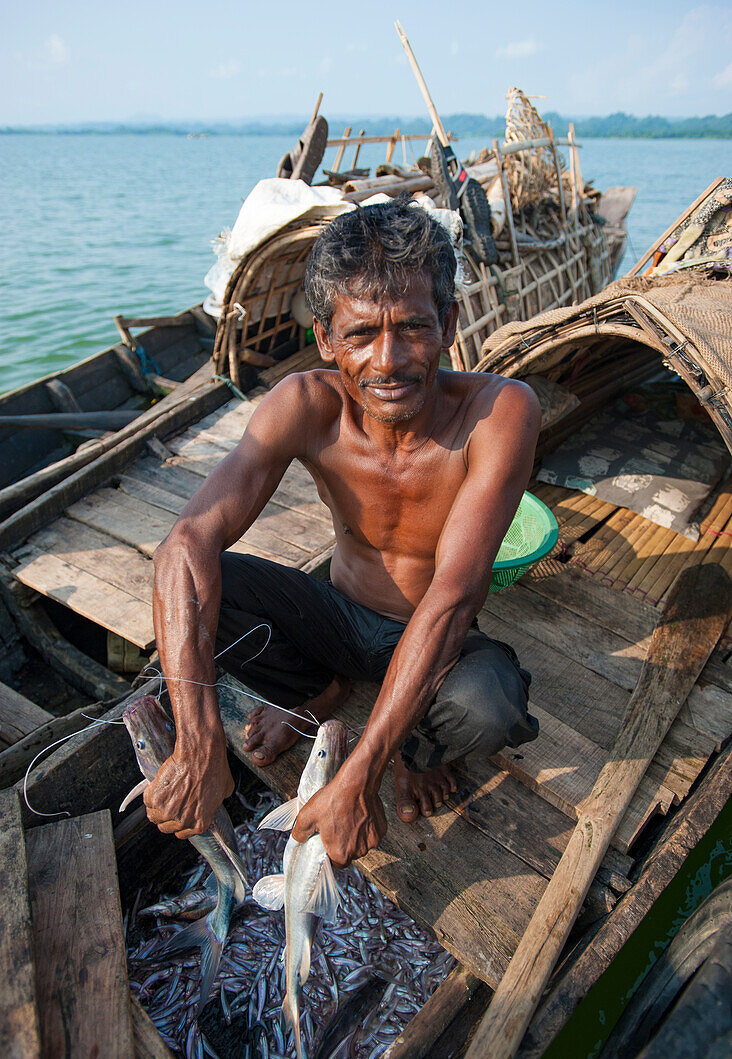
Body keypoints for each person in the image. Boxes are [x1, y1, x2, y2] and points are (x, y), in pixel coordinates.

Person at [146, 195, 542, 868]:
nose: (387, 362)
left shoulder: (500, 410)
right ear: (326, 338)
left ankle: (415, 747)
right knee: (197, 583)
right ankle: (320, 690)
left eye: (412, 328)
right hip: (336, 612)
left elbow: (452, 598)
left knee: (490, 706)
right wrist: (197, 739)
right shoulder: (303, 403)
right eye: (360, 335)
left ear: (448, 322)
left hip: (433, 633)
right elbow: (185, 545)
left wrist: (363, 770)